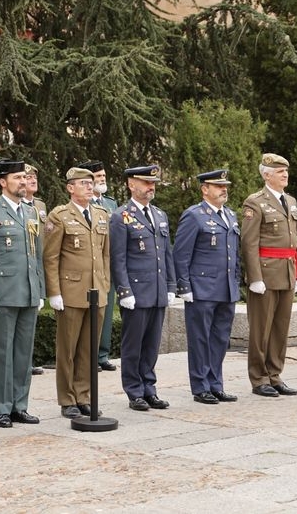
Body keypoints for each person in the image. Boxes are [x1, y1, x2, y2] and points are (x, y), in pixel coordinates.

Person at [0, 158, 45, 428]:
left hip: (27, 291)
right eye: (17, 178)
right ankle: (2, 407)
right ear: (3, 182)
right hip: (2, 293)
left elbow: (36, 255)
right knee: (2, 353)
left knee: (24, 353)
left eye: (25, 178)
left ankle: (19, 405)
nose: (23, 182)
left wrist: (40, 290)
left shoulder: (30, 212)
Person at [43, 167, 110, 418]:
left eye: (90, 183)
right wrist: (54, 292)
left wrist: (105, 284)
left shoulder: (102, 214)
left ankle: (84, 396)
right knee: (68, 350)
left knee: (89, 349)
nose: (89, 187)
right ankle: (67, 399)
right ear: (70, 188)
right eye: (83, 183)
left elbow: (106, 255)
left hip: (96, 291)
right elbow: (50, 257)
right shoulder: (60, 216)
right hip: (70, 291)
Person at [109, 165, 176, 411]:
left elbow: (166, 253)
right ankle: (134, 391)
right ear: (131, 184)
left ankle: (150, 388)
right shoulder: (121, 216)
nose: (151, 187)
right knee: (133, 345)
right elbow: (118, 258)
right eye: (146, 182)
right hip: (136, 293)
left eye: (153, 183)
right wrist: (124, 290)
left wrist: (171, 285)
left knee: (151, 346)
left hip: (157, 291)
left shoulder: (159, 215)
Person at [173, 170, 240, 404]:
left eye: (225, 186)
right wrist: (184, 286)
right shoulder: (194, 216)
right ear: (204, 189)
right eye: (218, 186)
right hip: (201, 288)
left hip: (226, 288)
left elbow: (234, 254)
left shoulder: (230, 216)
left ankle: (216, 383)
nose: (224, 190)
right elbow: (181, 253)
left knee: (220, 339)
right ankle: (200, 386)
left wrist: (236, 281)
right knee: (200, 339)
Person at [241, 153, 297, 397]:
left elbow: (296, 240)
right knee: (261, 329)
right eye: (279, 171)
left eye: (285, 171)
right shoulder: (255, 202)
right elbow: (249, 243)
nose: (284, 175)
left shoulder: (291, 201)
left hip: (287, 271)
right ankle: (259, 378)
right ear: (266, 174)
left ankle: (275, 374)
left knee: (280, 328)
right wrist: (255, 277)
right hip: (265, 274)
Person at [78, 159, 118, 372]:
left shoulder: (111, 203)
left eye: (103, 176)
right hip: (88, 265)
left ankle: (102, 354)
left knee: (107, 310)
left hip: (107, 264)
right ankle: (89, 355)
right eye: (98, 177)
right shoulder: (84, 204)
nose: (102, 180)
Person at [22, 163, 48, 375]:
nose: (32, 180)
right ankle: (22, 362)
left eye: (34, 177)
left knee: (33, 316)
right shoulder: (16, 205)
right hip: (22, 263)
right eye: (27, 177)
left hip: (38, 262)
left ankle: (29, 359)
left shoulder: (40, 205)